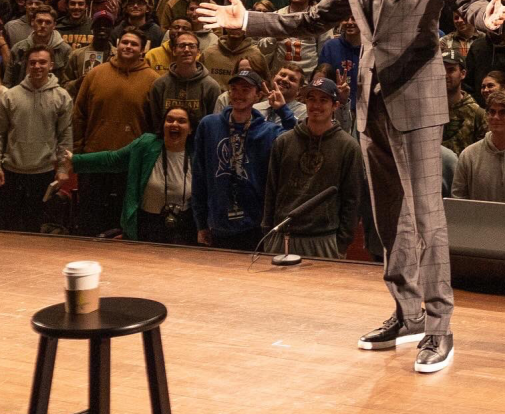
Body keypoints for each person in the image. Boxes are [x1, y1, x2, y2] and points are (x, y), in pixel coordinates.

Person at [196, 0, 505, 374]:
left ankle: (440, 329)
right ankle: (407, 315)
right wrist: (251, 20)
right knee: (389, 220)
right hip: (371, 105)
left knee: (428, 218)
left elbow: (463, 0)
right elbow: (313, 17)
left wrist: (484, 17)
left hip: (418, 105)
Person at [191, 68, 295, 251]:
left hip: (255, 225)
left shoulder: (269, 132)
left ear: (258, 95)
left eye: (245, 90)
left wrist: (283, 110)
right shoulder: (209, 125)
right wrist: (201, 223)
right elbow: (199, 176)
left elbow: (299, 141)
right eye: (234, 89)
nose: (238, 95)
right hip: (219, 223)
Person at [59, 107, 197, 244]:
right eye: (169, 120)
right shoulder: (146, 144)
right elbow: (113, 159)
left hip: (184, 227)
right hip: (147, 224)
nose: (174, 124)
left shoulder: (197, 153)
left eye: (181, 121)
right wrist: (75, 160)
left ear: (190, 129)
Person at [262, 77, 362, 259]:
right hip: (283, 237)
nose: (316, 105)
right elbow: (271, 191)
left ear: (335, 105)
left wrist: (342, 243)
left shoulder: (348, 147)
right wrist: (267, 232)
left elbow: (352, 200)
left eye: (323, 100)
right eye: (311, 99)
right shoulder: (283, 142)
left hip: (325, 240)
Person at [72, 29, 157, 234]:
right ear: (117, 45)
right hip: (94, 159)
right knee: (90, 219)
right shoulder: (95, 74)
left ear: (142, 50)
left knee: (121, 222)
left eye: (134, 44)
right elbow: (79, 114)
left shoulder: (153, 80)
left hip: (130, 163)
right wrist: (77, 152)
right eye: (124, 42)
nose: (128, 47)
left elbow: (154, 124)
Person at [0, 46, 72, 232]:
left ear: (51, 65)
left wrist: (63, 168)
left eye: (42, 62)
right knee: (7, 226)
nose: (37, 66)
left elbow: (65, 136)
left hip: (42, 174)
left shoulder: (62, 97)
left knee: (34, 227)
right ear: (27, 66)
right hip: (11, 172)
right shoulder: (10, 96)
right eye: (33, 62)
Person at [145, 29, 221, 130]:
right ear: (174, 51)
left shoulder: (211, 86)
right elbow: (155, 122)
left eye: (191, 46)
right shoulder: (159, 85)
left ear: (198, 51)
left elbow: (212, 124)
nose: (186, 50)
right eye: (181, 46)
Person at [442, 50, 487, 156]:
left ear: (463, 74)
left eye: (451, 70)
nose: (445, 75)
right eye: (441, 70)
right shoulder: (430, 110)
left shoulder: (477, 113)